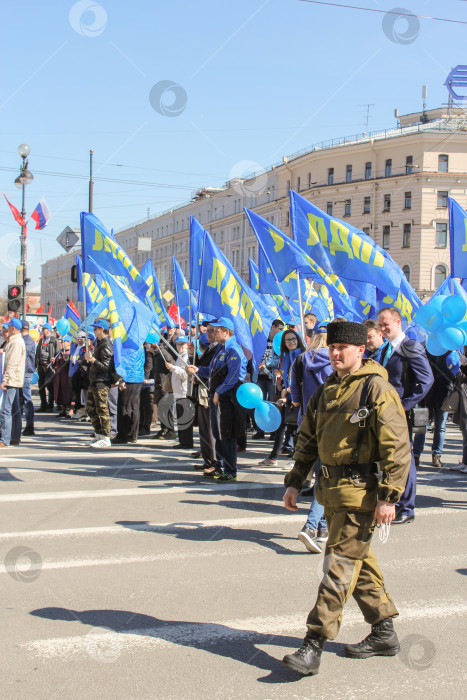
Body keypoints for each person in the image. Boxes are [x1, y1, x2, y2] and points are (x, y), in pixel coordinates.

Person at [282, 321, 411, 676]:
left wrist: (389, 496)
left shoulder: (375, 389)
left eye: (343, 348)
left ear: (361, 350)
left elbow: (397, 445)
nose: (336, 353)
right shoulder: (327, 390)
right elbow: (307, 439)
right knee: (358, 561)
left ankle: (313, 644)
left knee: (337, 566)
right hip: (331, 493)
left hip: (362, 494)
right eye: (332, 347)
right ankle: (383, 631)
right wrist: (294, 481)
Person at [377, 308, 433, 524]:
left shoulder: (409, 346)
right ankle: (394, 500)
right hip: (386, 412)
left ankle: (407, 507)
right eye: (380, 325)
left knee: (405, 459)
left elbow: (427, 380)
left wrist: (405, 405)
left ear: (398, 322)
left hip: (401, 413)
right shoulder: (386, 349)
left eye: (385, 324)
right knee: (392, 458)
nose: (382, 329)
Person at [290, 323, 333, 553]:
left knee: (320, 474)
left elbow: (295, 397)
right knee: (325, 477)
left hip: (307, 422)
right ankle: (311, 526)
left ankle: (323, 527)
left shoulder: (300, 360)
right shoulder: (337, 360)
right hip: (330, 424)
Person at [188, 318, 246, 482]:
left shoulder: (234, 349)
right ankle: (220, 466)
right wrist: (199, 370)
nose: (213, 333)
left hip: (227, 398)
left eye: (216, 330)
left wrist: (219, 392)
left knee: (226, 434)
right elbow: (213, 371)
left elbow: (234, 376)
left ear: (226, 332)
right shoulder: (220, 350)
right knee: (217, 433)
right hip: (217, 397)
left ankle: (230, 469)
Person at [258, 329, 305, 468]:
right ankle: (273, 457)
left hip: (299, 397)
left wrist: (288, 391)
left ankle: (296, 460)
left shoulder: (302, 356)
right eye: (288, 340)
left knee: (296, 430)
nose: (291, 342)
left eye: (293, 339)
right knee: (282, 427)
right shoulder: (284, 357)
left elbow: (302, 380)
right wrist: (282, 386)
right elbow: (285, 376)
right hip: (288, 396)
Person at [413, 349, 460, 467]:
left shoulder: (450, 350)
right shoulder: (424, 349)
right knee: (421, 426)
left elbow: (455, 371)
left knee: (440, 426)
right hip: (424, 393)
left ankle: (436, 455)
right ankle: (416, 455)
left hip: (441, 393)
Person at [252, 319, 283, 439]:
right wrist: (258, 364)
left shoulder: (278, 342)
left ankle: (273, 430)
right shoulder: (262, 339)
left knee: (271, 403)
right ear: (273, 327)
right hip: (258, 375)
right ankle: (260, 429)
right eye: (279, 329)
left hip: (271, 377)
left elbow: (278, 359)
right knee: (259, 402)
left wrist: (267, 363)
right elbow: (254, 354)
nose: (281, 332)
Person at [85, 319, 114, 448]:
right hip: (94, 381)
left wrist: (92, 360)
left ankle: (106, 437)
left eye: (96, 328)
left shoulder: (107, 344)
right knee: (92, 409)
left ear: (102, 329)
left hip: (102, 382)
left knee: (102, 410)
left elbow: (106, 367)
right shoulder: (99, 342)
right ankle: (98, 435)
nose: (94, 331)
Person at [0, 318, 26, 447]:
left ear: (13, 329)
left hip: (12, 380)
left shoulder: (16, 343)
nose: (6, 329)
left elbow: (12, 363)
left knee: (6, 410)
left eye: (8, 327)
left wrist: (5, 379)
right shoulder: (14, 341)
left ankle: (5, 439)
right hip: (14, 379)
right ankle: (14, 437)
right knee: (15, 410)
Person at [165, 334, 194, 448]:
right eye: (178, 344)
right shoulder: (180, 356)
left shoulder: (186, 357)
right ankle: (183, 440)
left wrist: (173, 368)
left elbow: (185, 374)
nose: (179, 346)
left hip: (184, 391)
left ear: (187, 345)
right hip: (179, 391)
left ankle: (186, 442)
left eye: (182, 344)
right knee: (181, 418)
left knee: (185, 418)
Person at [112, 346, 144, 446]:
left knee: (125, 407)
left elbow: (128, 363)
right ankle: (133, 435)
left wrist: (123, 379)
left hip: (130, 378)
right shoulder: (139, 344)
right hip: (138, 377)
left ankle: (123, 435)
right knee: (134, 407)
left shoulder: (131, 345)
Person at [35, 323, 60, 412]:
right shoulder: (41, 340)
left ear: (48, 330)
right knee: (41, 386)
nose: (43, 331)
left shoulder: (54, 341)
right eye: (42, 329)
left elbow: (58, 353)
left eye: (44, 329)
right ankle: (43, 405)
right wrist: (36, 364)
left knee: (50, 387)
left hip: (50, 366)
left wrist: (54, 360)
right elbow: (37, 354)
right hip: (41, 366)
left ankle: (50, 406)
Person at [21, 320, 36, 436]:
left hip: (25, 373)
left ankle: (30, 426)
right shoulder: (25, 340)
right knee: (21, 400)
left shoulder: (28, 341)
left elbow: (22, 353)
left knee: (27, 400)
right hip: (22, 373)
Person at [53, 337, 72, 417]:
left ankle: (71, 410)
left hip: (67, 375)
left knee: (68, 392)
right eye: (62, 342)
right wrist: (54, 361)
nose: (63, 343)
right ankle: (63, 410)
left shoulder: (71, 352)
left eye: (65, 342)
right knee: (60, 392)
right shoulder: (60, 352)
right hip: (59, 376)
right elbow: (57, 363)